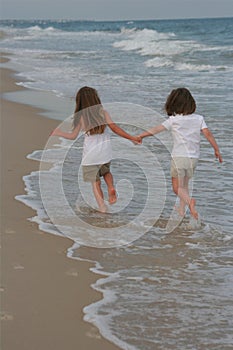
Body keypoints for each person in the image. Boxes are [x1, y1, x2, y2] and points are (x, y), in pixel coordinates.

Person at [51, 86, 141, 213]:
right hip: (104, 152)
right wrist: (132, 138)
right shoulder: (103, 113)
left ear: (80, 102)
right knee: (106, 172)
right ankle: (110, 187)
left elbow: (72, 136)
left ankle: (102, 207)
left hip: (90, 156)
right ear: (96, 99)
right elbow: (115, 128)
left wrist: (59, 132)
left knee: (95, 183)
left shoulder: (80, 117)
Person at [138, 87, 222, 220]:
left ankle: (190, 202)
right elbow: (208, 133)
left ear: (173, 103)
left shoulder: (174, 120)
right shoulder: (199, 118)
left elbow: (156, 130)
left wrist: (141, 136)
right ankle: (182, 210)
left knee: (177, 188)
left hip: (179, 158)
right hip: (193, 159)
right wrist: (216, 149)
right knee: (185, 185)